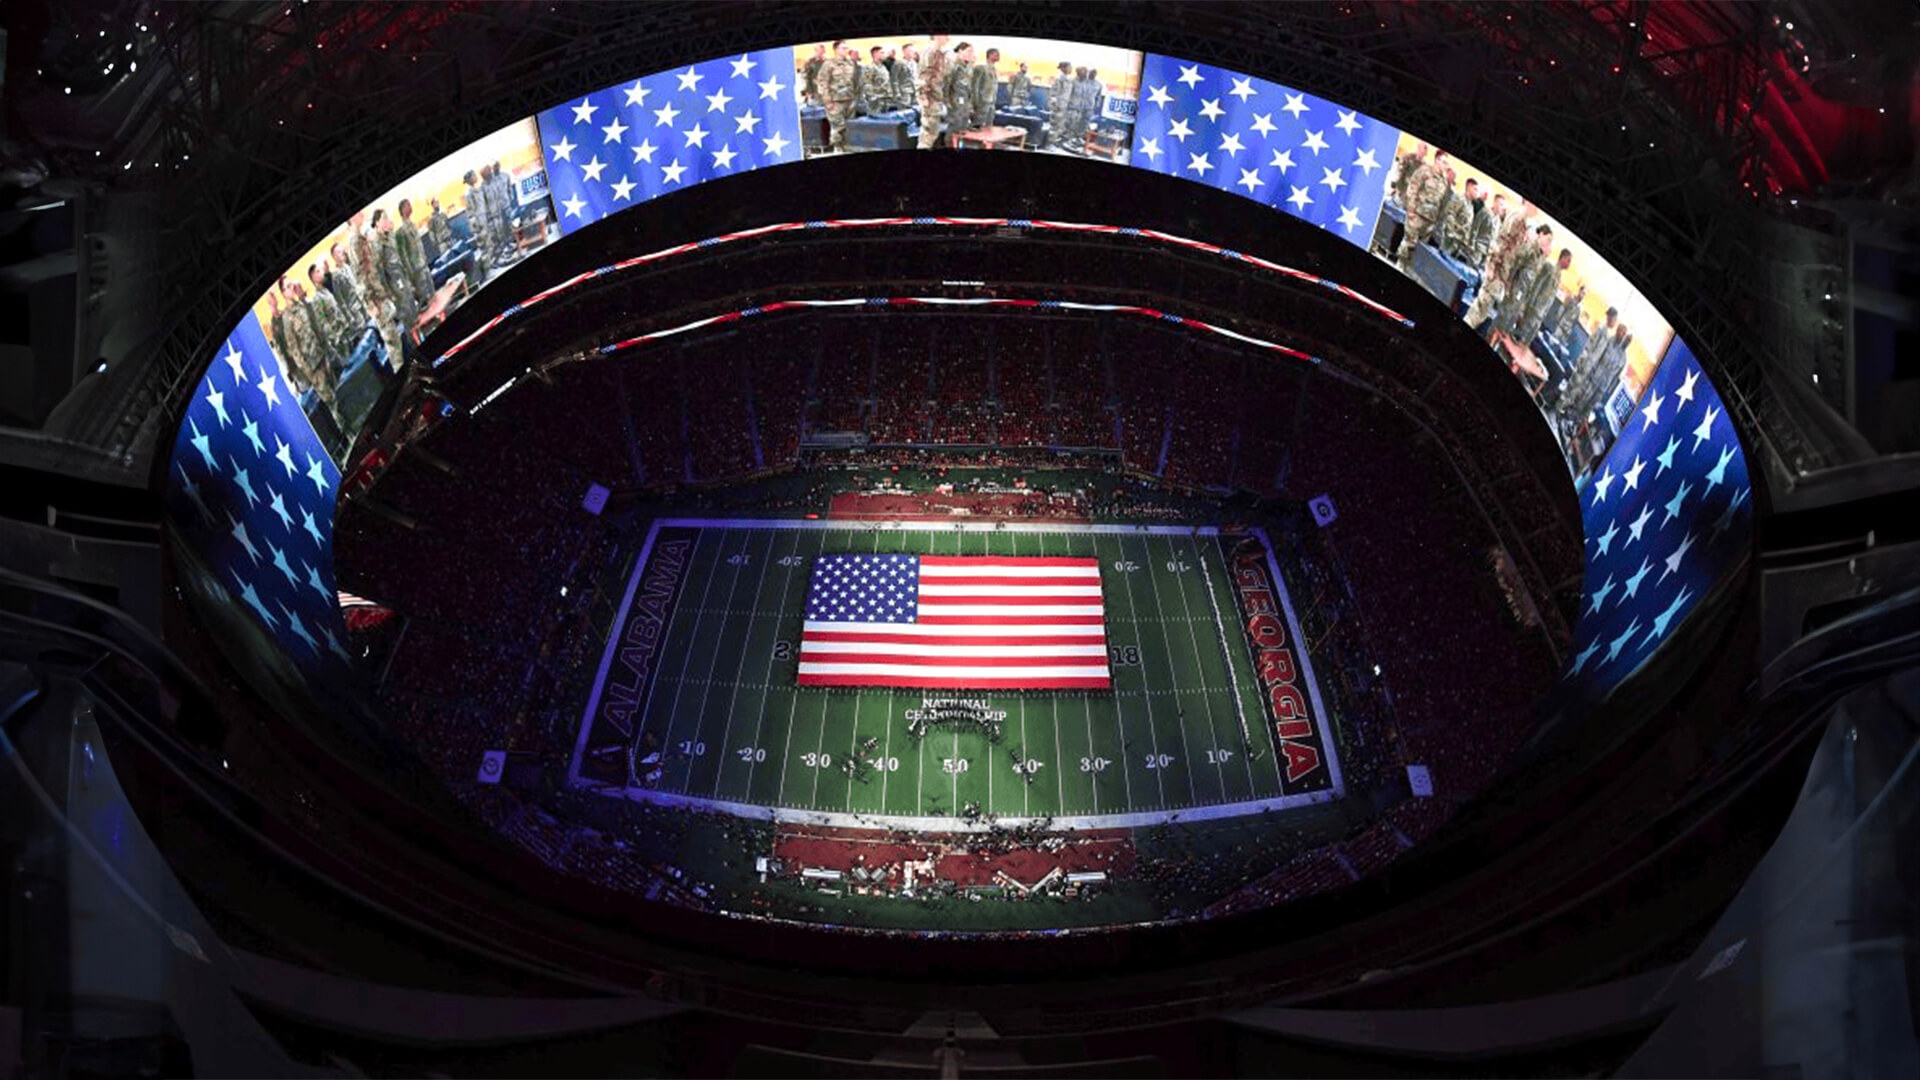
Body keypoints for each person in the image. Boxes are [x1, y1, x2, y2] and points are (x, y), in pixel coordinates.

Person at [1465, 199, 1535, 332]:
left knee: (1483, 311)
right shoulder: (1517, 219)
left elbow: (1515, 253)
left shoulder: (1523, 225)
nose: (1536, 210)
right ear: (1527, 203)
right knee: (1480, 308)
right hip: (1497, 271)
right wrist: (1492, 269)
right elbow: (1500, 245)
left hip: (1501, 272)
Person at [1558, 306, 1621, 423]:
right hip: (1586, 363)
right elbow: (1589, 345)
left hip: (1591, 368)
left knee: (1576, 390)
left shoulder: (1608, 336)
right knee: (1573, 385)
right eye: (1614, 320)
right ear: (1610, 318)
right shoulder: (1601, 330)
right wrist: (1582, 360)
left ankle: (1563, 408)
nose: (1614, 323)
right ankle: (1559, 406)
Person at [372, 209, 420, 347]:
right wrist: (389, 295)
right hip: (395, 289)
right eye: (384, 219)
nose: (388, 221)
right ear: (377, 223)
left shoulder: (388, 238)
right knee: (408, 323)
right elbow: (380, 273)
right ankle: (417, 349)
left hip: (403, 283)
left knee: (414, 316)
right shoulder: (377, 244)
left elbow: (397, 260)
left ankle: (421, 341)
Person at [1397, 150, 1450, 269]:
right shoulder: (1424, 171)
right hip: (1416, 215)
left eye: (1446, 163)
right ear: (1437, 160)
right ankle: (1398, 267)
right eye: (1443, 162)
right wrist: (1410, 209)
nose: (1445, 165)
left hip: (1429, 221)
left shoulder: (1444, 182)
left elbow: (1441, 203)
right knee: (1408, 245)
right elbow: (1413, 188)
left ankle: (1407, 271)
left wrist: (1437, 222)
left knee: (1418, 250)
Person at [396, 199, 437, 308]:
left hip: (423, 263)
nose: (411, 207)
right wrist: (411, 274)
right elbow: (403, 256)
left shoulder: (413, 224)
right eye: (408, 205)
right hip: (416, 269)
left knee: (432, 291)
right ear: (403, 210)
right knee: (425, 297)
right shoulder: (401, 231)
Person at [818, 40, 859, 153]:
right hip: (835, 101)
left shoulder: (851, 63)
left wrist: (855, 98)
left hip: (849, 99)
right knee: (838, 127)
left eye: (846, 48)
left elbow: (854, 82)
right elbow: (823, 83)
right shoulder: (828, 64)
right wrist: (827, 101)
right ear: (836, 49)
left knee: (850, 125)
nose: (845, 50)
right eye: (843, 48)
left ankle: (848, 148)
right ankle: (838, 149)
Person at [916, 44, 950, 149]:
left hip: (936, 100)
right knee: (928, 135)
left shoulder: (940, 65)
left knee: (933, 133)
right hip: (930, 101)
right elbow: (922, 80)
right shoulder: (929, 55)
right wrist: (924, 98)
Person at [462, 169, 493, 274]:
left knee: (489, 243)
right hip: (479, 223)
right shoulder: (469, 193)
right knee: (484, 246)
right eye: (474, 176)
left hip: (483, 220)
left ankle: (492, 264)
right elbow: (470, 212)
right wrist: (477, 226)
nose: (476, 177)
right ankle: (488, 269)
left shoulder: (476, 189)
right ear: (470, 179)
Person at [1465, 187, 1503, 268]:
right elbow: (1475, 228)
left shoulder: (1498, 221)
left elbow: (1494, 237)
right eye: (1500, 204)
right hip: (1478, 249)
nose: (1502, 207)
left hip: (1487, 254)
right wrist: (1471, 246)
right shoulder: (1485, 212)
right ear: (1494, 203)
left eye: (1503, 205)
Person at [944, 43, 975, 139]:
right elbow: (945, 86)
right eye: (969, 51)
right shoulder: (952, 66)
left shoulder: (968, 68)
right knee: (953, 129)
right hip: (955, 105)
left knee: (964, 129)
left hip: (965, 104)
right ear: (960, 51)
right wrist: (947, 104)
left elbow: (969, 87)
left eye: (972, 52)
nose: (971, 54)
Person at [970, 47, 1000, 131]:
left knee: (988, 127)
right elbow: (975, 86)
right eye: (996, 54)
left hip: (991, 103)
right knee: (978, 126)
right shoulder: (981, 68)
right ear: (990, 55)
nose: (998, 56)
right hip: (982, 102)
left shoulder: (994, 70)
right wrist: (975, 103)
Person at [1048, 61, 1075, 152]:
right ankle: (1049, 144)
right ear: (1063, 68)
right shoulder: (1059, 79)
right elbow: (1053, 94)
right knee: (1054, 126)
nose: (1071, 69)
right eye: (1069, 67)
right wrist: (1055, 106)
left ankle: (1055, 142)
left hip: (1064, 106)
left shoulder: (1069, 79)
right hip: (1058, 107)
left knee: (1060, 126)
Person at [859, 45, 891, 115]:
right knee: (875, 121)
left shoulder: (883, 67)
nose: (884, 55)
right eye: (882, 53)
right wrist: (873, 98)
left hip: (885, 99)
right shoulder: (869, 68)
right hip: (876, 101)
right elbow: (867, 84)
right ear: (875, 54)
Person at [890, 44, 919, 113]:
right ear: (904, 52)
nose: (912, 52)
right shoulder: (899, 63)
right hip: (904, 92)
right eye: (910, 51)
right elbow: (894, 79)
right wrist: (897, 93)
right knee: (904, 112)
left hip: (915, 91)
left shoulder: (914, 63)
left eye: (913, 51)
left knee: (915, 111)